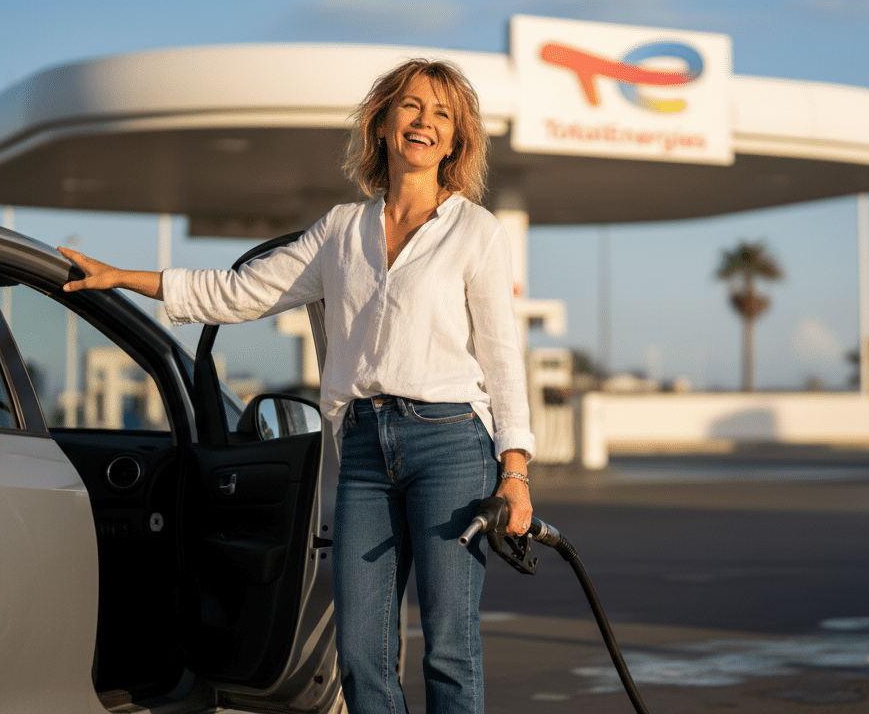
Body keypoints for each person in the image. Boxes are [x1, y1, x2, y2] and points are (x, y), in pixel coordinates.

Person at [61, 58, 534, 714]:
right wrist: (124, 277)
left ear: (456, 140)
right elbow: (236, 291)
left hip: (452, 443)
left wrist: (515, 472)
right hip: (365, 449)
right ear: (383, 122)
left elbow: (503, 358)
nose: (424, 121)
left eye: (442, 114)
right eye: (411, 106)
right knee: (362, 650)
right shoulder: (341, 231)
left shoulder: (475, 232)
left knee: (449, 647)